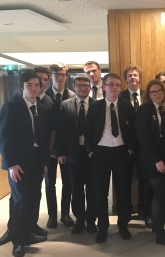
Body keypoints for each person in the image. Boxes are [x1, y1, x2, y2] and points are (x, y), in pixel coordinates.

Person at [0, 67, 53, 245]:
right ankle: (18, 241)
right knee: (21, 199)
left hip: (37, 161)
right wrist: (11, 164)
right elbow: (4, 138)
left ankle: (27, 230)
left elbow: (43, 139)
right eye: (29, 85)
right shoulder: (11, 106)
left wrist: (44, 161)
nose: (33, 88)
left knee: (34, 197)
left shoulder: (43, 108)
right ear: (21, 86)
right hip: (19, 163)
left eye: (36, 85)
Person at [84, 73, 137, 243]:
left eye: (117, 85)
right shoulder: (95, 107)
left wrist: (129, 150)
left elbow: (134, 131)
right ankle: (103, 228)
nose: (114, 88)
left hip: (122, 152)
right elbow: (87, 132)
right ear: (104, 87)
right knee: (101, 193)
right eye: (111, 85)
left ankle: (123, 226)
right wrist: (91, 152)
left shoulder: (127, 106)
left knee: (123, 192)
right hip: (100, 153)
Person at [136, 79, 165, 246]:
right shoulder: (144, 109)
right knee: (159, 193)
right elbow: (144, 137)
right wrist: (156, 160)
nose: (157, 94)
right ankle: (160, 234)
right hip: (152, 157)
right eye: (153, 92)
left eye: (160, 91)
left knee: (164, 192)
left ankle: (158, 227)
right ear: (149, 94)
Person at [57, 74, 97, 235]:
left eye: (86, 85)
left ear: (90, 88)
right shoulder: (65, 105)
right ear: (73, 87)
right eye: (79, 85)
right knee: (76, 189)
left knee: (93, 189)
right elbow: (60, 131)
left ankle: (91, 221)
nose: (83, 88)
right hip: (73, 154)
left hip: (92, 154)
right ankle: (80, 220)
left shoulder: (97, 105)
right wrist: (61, 153)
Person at [45, 62, 75, 228]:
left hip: (67, 148)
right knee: (50, 183)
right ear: (51, 76)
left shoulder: (72, 95)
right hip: (48, 148)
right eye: (56, 74)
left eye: (63, 74)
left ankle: (65, 213)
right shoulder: (44, 95)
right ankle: (51, 216)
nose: (60, 78)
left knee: (67, 182)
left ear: (66, 76)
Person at [119, 65, 150, 225]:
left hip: (145, 146)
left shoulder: (147, 95)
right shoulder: (120, 96)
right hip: (126, 146)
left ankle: (144, 208)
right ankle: (126, 209)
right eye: (129, 75)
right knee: (125, 178)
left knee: (144, 178)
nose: (132, 78)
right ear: (125, 79)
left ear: (140, 78)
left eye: (135, 75)